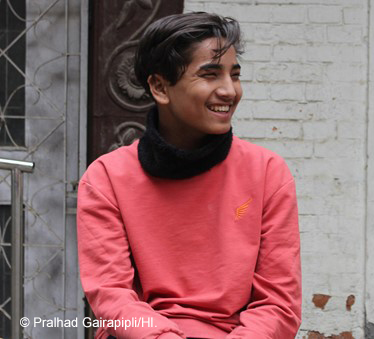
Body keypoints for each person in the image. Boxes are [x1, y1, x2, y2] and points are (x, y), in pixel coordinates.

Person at [77, 12, 301, 339]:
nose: (229, 91)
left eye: (234, 75)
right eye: (210, 75)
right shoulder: (107, 178)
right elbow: (112, 296)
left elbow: (279, 304)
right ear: (159, 86)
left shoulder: (267, 172)